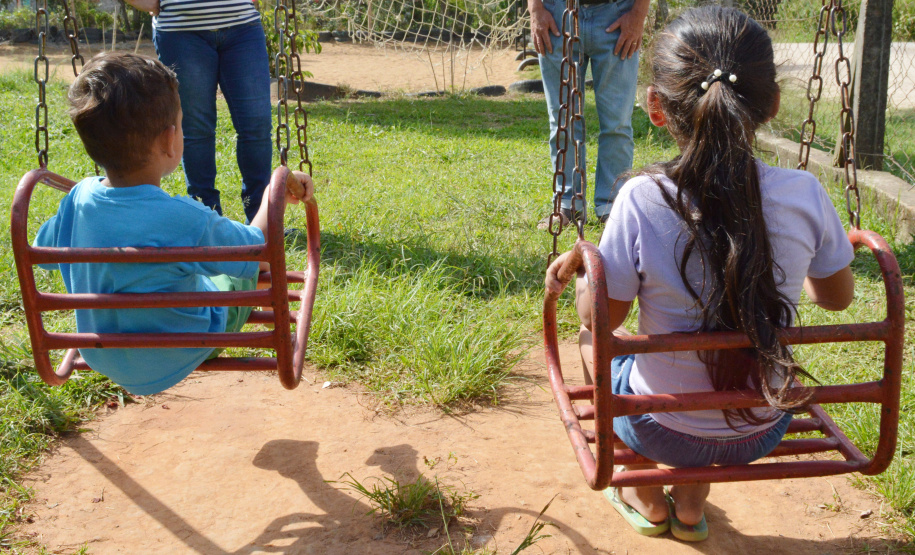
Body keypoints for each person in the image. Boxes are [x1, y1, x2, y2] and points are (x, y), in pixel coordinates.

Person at [546, 6, 855, 541]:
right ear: (773, 105)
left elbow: (604, 318)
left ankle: (646, 492)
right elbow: (838, 299)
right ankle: (690, 501)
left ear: (656, 108)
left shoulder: (642, 198)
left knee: (585, 340)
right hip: (762, 427)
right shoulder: (805, 194)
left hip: (659, 427)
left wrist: (584, 270)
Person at [34, 52, 312, 395]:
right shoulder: (185, 218)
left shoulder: (77, 200)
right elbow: (258, 251)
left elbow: (44, 252)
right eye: (181, 123)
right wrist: (277, 191)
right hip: (180, 350)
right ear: (169, 139)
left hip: (103, 355)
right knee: (242, 273)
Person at [125, 0, 272, 223]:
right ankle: (206, 219)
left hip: (243, 27)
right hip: (180, 31)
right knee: (197, 129)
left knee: (257, 126)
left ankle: (261, 217)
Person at [530, 0, 649, 227]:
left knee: (617, 123)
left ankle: (613, 207)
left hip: (618, 13)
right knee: (562, 119)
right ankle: (567, 205)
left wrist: (638, 14)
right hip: (557, 14)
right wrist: (535, 9)